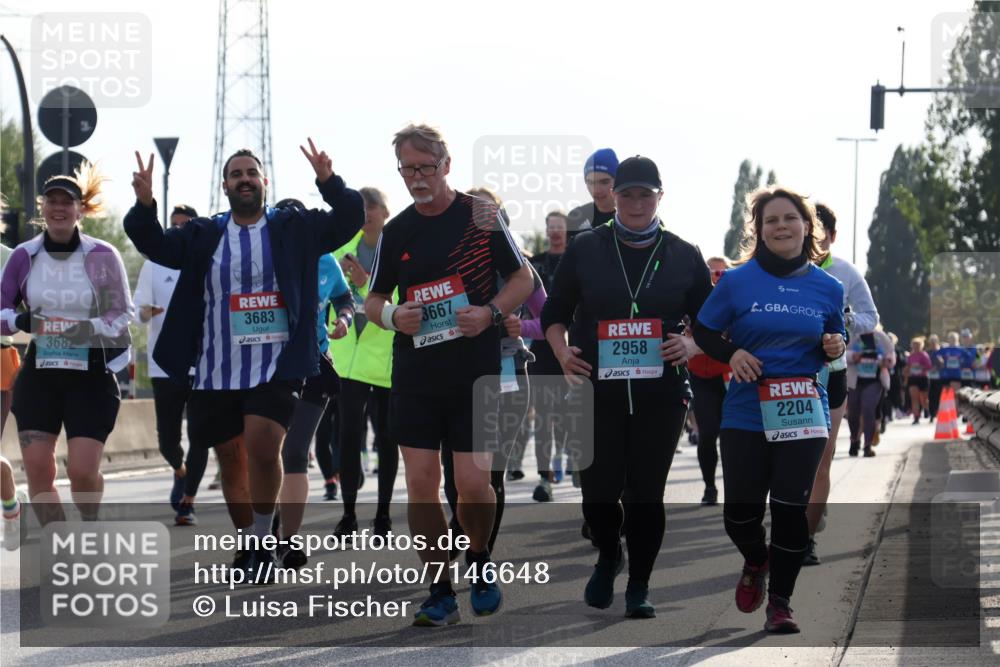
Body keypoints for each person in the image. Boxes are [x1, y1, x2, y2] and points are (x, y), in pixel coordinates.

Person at [124, 140, 364, 580]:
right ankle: (251, 541)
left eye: (251, 173)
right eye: (236, 175)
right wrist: (144, 204)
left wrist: (329, 183)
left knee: (261, 442)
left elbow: (349, 220)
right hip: (215, 367)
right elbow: (155, 245)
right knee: (231, 459)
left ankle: (263, 539)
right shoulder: (204, 234)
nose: (245, 180)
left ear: (264, 181)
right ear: (225, 186)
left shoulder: (294, 228)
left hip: (277, 364)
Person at [364, 123, 532, 626]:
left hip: (473, 370)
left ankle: (479, 563)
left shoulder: (480, 217)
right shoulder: (397, 231)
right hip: (416, 371)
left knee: (473, 483)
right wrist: (395, 316)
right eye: (407, 169)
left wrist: (489, 311)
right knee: (420, 482)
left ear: (447, 165)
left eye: (426, 167)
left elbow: (526, 277)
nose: (417, 178)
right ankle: (439, 589)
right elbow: (373, 300)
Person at [543, 155, 710, 618]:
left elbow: (713, 320)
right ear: (613, 197)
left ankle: (639, 584)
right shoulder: (586, 248)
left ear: (660, 197)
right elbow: (553, 314)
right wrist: (560, 351)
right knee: (597, 491)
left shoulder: (684, 253)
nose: (636, 203)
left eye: (645, 194)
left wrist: (692, 344)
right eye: (627, 194)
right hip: (598, 390)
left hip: (661, 394)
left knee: (645, 492)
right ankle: (608, 552)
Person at [694, 186, 846, 634]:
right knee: (739, 514)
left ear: (806, 227)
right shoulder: (738, 281)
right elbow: (703, 332)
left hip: (803, 408)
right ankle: (757, 559)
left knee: (789, 508)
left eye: (790, 218)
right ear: (759, 230)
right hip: (745, 411)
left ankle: (780, 602)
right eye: (771, 220)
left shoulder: (828, 287)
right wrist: (733, 353)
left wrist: (836, 343)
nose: (781, 226)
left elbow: (834, 340)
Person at [1, 165, 134, 527]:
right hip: (41, 373)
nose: (58, 208)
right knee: (39, 476)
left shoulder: (102, 255)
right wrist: (19, 321)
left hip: (89, 374)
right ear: (42, 209)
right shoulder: (23, 257)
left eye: (67, 202)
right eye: (51, 201)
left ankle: (90, 521)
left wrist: (85, 329)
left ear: (81, 210)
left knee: (81, 474)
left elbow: (122, 315)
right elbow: (2, 311)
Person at [440, 186, 545, 557]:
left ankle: (478, 553)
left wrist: (522, 327)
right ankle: (462, 531)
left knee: (492, 473)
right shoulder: (443, 259)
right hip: (454, 376)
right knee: (455, 473)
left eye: (488, 214)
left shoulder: (519, 267)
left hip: (507, 371)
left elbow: (549, 319)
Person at [271, 197, 353, 569]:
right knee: (265, 454)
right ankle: (263, 532)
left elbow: (345, 298)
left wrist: (345, 320)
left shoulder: (326, 261)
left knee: (294, 453)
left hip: (316, 365)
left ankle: (287, 541)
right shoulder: (263, 262)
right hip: (268, 370)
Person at [801, 202, 879, 565]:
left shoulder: (845, 273)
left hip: (831, 373)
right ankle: (791, 522)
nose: (810, 240)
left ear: (831, 237)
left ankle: (806, 537)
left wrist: (841, 324)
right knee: (783, 462)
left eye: (818, 234)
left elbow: (870, 316)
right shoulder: (776, 269)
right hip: (785, 377)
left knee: (820, 460)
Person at [329, 186, 399, 537]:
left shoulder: (399, 247)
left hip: (385, 358)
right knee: (349, 434)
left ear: (386, 212)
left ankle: (383, 514)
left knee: (387, 438)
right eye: (362, 207)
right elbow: (325, 289)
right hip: (348, 360)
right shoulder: (341, 248)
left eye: (374, 206)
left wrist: (366, 282)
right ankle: (349, 514)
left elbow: (404, 299)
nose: (368, 212)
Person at [133, 204, 207, 526]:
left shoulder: (207, 261)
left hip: (204, 362)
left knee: (201, 435)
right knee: (167, 440)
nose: (179, 229)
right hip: (165, 364)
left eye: (185, 224)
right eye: (173, 225)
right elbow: (137, 310)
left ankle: (187, 501)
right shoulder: (154, 265)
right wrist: (148, 311)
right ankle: (180, 470)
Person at [523, 210, 568, 501]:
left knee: (563, 415)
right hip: (540, 346)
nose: (554, 232)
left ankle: (563, 458)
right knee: (542, 416)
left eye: (559, 228)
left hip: (569, 344)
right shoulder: (535, 263)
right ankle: (545, 479)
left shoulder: (577, 259)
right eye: (550, 227)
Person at [687, 255, 732, 505]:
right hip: (700, 374)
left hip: (727, 373)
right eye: (711, 273)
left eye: (720, 274)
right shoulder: (693, 296)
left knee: (731, 435)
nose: (715, 278)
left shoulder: (733, 297)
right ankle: (710, 487)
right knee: (708, 432)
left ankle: (734, 488)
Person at [1, 236, 27, 550]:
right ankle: (12, 506)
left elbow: (33, 310)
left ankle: (11, 508)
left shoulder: (12, 258)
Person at [846, 327, 895, 457]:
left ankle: (867, 445)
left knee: (868, 409)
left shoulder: (881, 337)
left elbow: (891, 353)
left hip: (875, 379)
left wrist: (888, 360)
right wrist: (852, 356)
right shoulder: (852, 334)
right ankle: (854, 441)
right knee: (853, 413)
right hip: (855, 379)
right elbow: (843, 353)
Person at [566, 148, 618, 242]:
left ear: (617, 181)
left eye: (604, 182)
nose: (596, 190)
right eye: (590, 182)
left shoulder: (630, 217)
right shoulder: (577, 217)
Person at [905, 336, 933, 424]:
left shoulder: (924, 355)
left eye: (917, 345)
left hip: (922, 378)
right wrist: (907, 371)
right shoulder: (910, 356)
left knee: (924, 399)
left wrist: (920, 366)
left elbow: (929, 366)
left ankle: (930, 412)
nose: (915, 347)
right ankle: (916, 417)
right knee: (914, 398)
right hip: (913, 378)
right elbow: (908, 366)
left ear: (921, 346)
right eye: (914, 345)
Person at [926, 333, 943, 418]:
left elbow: (944, 363)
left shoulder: (941, 351)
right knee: (931, 395)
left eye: (934, 341)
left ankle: (938, 411)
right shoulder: (928, 352)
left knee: (939, 394)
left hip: (939, 377)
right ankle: (932, 413)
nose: (932, 343)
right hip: (930, 376)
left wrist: (940, 364)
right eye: (931, 341)